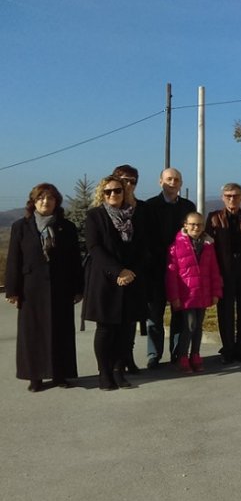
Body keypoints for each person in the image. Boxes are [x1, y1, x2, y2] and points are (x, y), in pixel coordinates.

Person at [5, 184, 83, 392]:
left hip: (61, 288)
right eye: (41, 198)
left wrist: (78, 288)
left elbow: (75, 260)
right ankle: (35, 376)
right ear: (33, 201)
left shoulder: (66, 227)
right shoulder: (21, 226)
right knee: (33, 334)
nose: (45, 202)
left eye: (50, 198)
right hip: (31, 290)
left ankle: (61, 374)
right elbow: (14, 259)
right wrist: (13, 290)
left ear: (56, 202)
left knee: (62, 332)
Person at [82, 176, 148, 390]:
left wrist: (131, 272)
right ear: (102, 193)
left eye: (117, 191)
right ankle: (104, 373)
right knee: (106, 330)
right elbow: (95, 248)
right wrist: (118, 271)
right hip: (105, 280)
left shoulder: (135, 215)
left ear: (124, 192)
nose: (113, 195)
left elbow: (142, 248)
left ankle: (119, 372)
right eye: (108, 191)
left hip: (130, 280)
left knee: (126, 330)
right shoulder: (95, 216)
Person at [144, 167, 196, 369]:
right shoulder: (149, 206)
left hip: (182, 270)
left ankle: (178, 353)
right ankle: (153, 355)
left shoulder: (188, 206)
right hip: (156, 267)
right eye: (168, 179)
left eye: (176, 179)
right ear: (160, 182)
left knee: (179, 313)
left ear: (181, 183)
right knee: (154, 315)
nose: (172, 182)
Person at [206, 183, 241, 364]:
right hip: (224, 270)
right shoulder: (214, 218)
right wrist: (214, 275)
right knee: (225, 311)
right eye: (229, 196)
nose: (232, 199)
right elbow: (209, 250)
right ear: (223, 197)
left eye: (236, 196)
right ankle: (228, 348)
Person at [165, 212, 223, 373]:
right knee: (190, 325)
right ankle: (182, 356)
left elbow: (214, 270)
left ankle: (195, 355)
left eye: (199, 224)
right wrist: (174, 297)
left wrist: (215, 292)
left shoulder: (208, 245)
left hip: (203, 292)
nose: (196, 227)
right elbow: (171, 274)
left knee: (198, 326)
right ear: (185, 225)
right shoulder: (175, 247)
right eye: (192, 224)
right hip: (187, 295)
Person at [111, 164, 146, 374]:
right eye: (125, 180)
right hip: (113, 273)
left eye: (133, 181)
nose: (129, 184)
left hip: (136, 270)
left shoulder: (141, 208)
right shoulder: (108, 207)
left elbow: (145, 240)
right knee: (114, 320)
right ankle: (114, 362)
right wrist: (118, 270)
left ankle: (128, 357)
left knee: (131, 319)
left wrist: (136, 269)